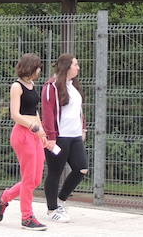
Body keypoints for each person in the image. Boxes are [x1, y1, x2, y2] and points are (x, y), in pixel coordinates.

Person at [0, 53, 54, 231]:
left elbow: (33, 110)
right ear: (30, 67)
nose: (39, 70)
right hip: (22, 134)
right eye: (37, 67)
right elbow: (15, 114)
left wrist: (41, 130)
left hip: (35, 133)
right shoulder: (16, 86)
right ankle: (27, 217)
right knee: (29, 178)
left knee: (35, 179)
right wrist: (32, 127)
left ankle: (4, 198)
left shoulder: (32, 84)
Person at [40, 53, 88, 224]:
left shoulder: (73, 86)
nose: (78, 67)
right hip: (59, 138)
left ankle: (61, 200)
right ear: (67, 66)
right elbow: (47, 112)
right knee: (55, 172)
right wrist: (50, 137)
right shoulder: (51, 86)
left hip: (74, 136)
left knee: (81, 168)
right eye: (76, 64)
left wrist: (83, 127)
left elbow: (79, 110)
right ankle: (52, 209)